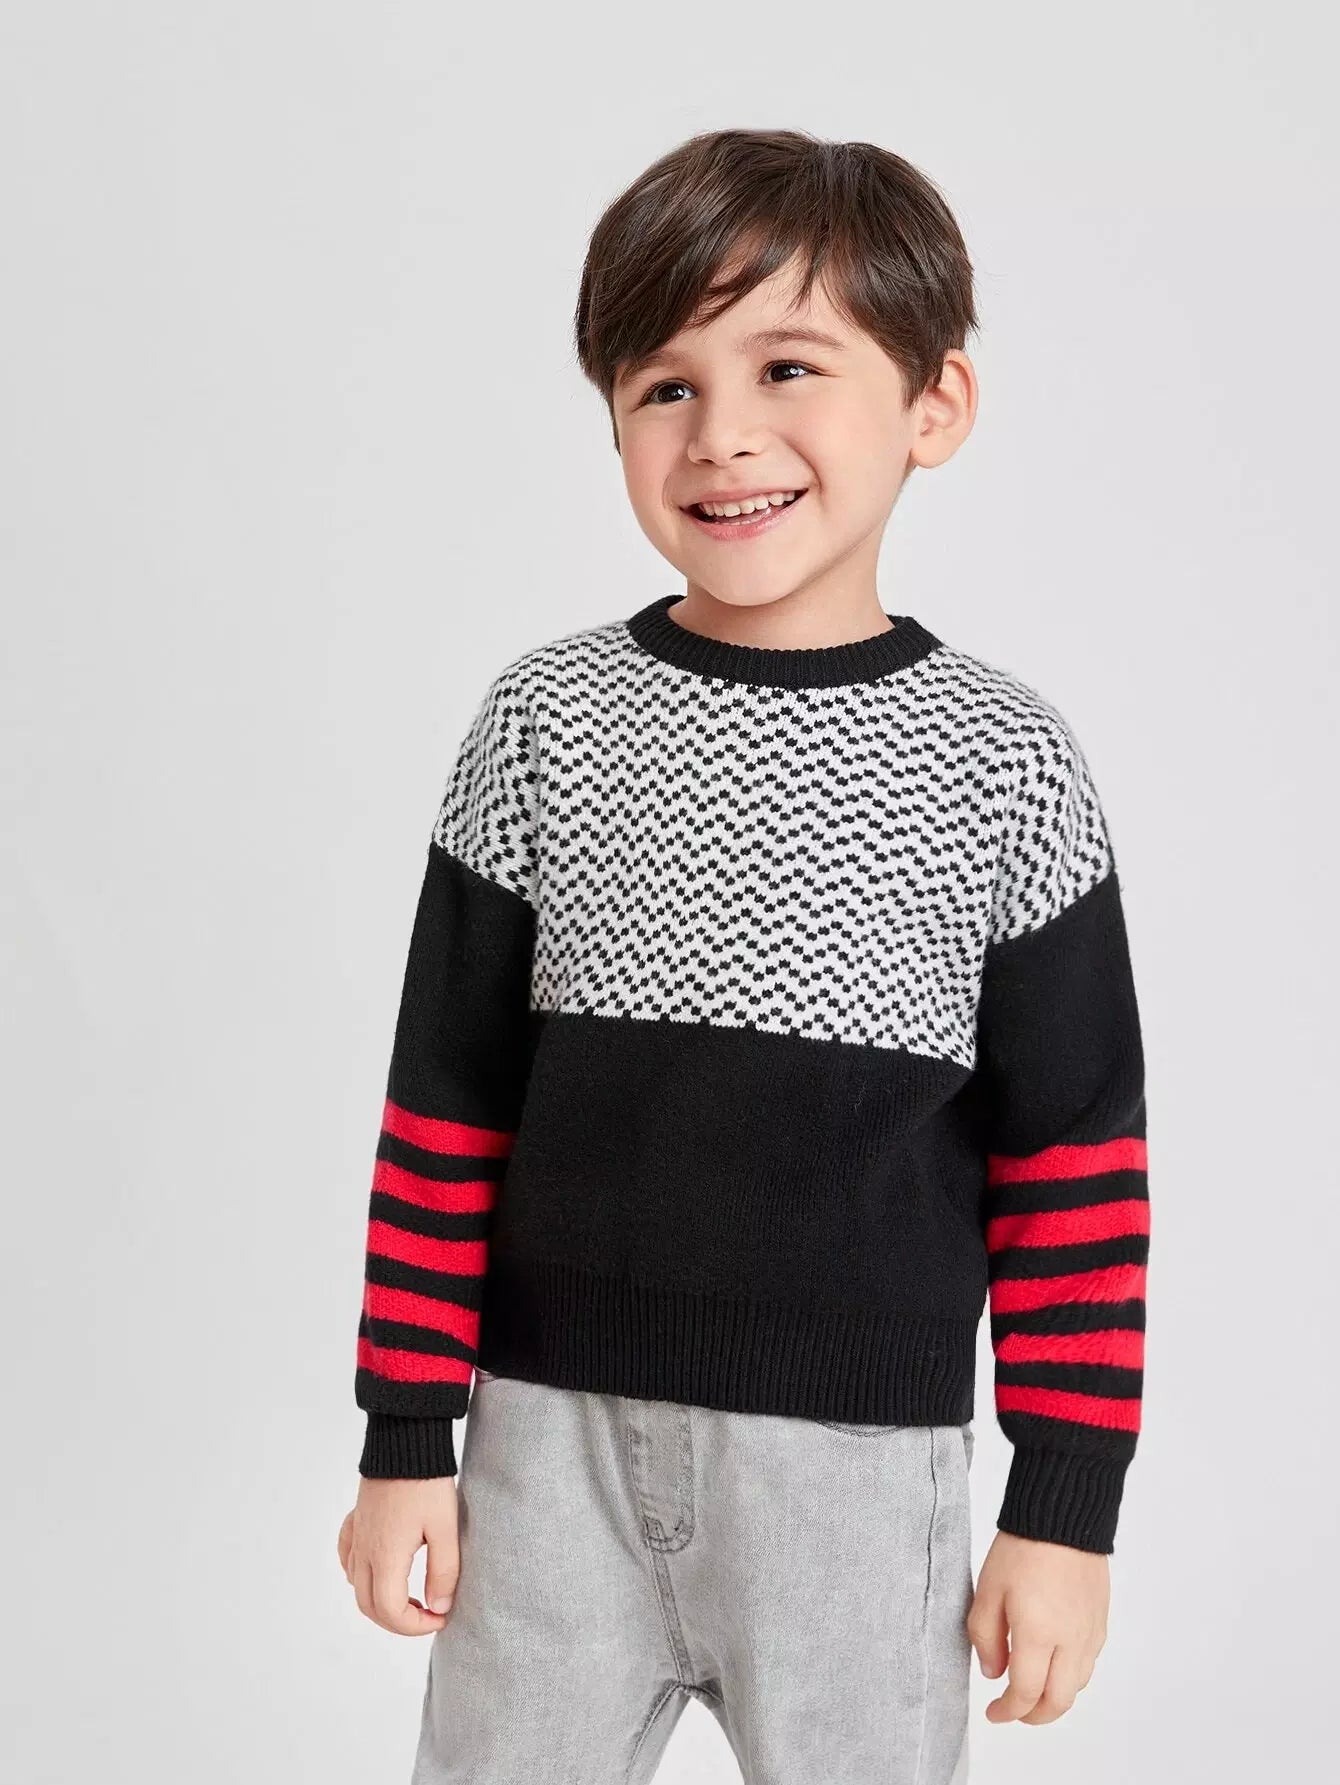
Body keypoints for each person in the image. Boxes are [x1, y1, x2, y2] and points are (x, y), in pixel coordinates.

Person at [336, 127, 1150, 1785]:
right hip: (546, 1452)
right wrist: (406, 1433)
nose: (721, 434)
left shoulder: (1005, 764)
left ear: (934, 403)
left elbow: (1076, 1160)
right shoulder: (543, 725)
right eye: (664, 386)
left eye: (788, 366)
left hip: (856, 1479)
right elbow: (444, 1108)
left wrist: (1063, 1507)